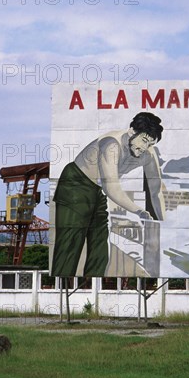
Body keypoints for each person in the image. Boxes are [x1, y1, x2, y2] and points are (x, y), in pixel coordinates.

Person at [52, 112, 165, 277]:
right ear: (132, 131)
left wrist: (160, 222)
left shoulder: (148, 153)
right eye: (145, 141)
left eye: (151, 144)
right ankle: (60, 291)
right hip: (76, 184)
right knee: (70, 243)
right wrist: (139, 211)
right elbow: (111, 187)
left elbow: (155, 189)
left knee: (100, 245)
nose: (145, 148)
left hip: (97, 191)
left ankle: (92, 289)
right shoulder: (112, 145)